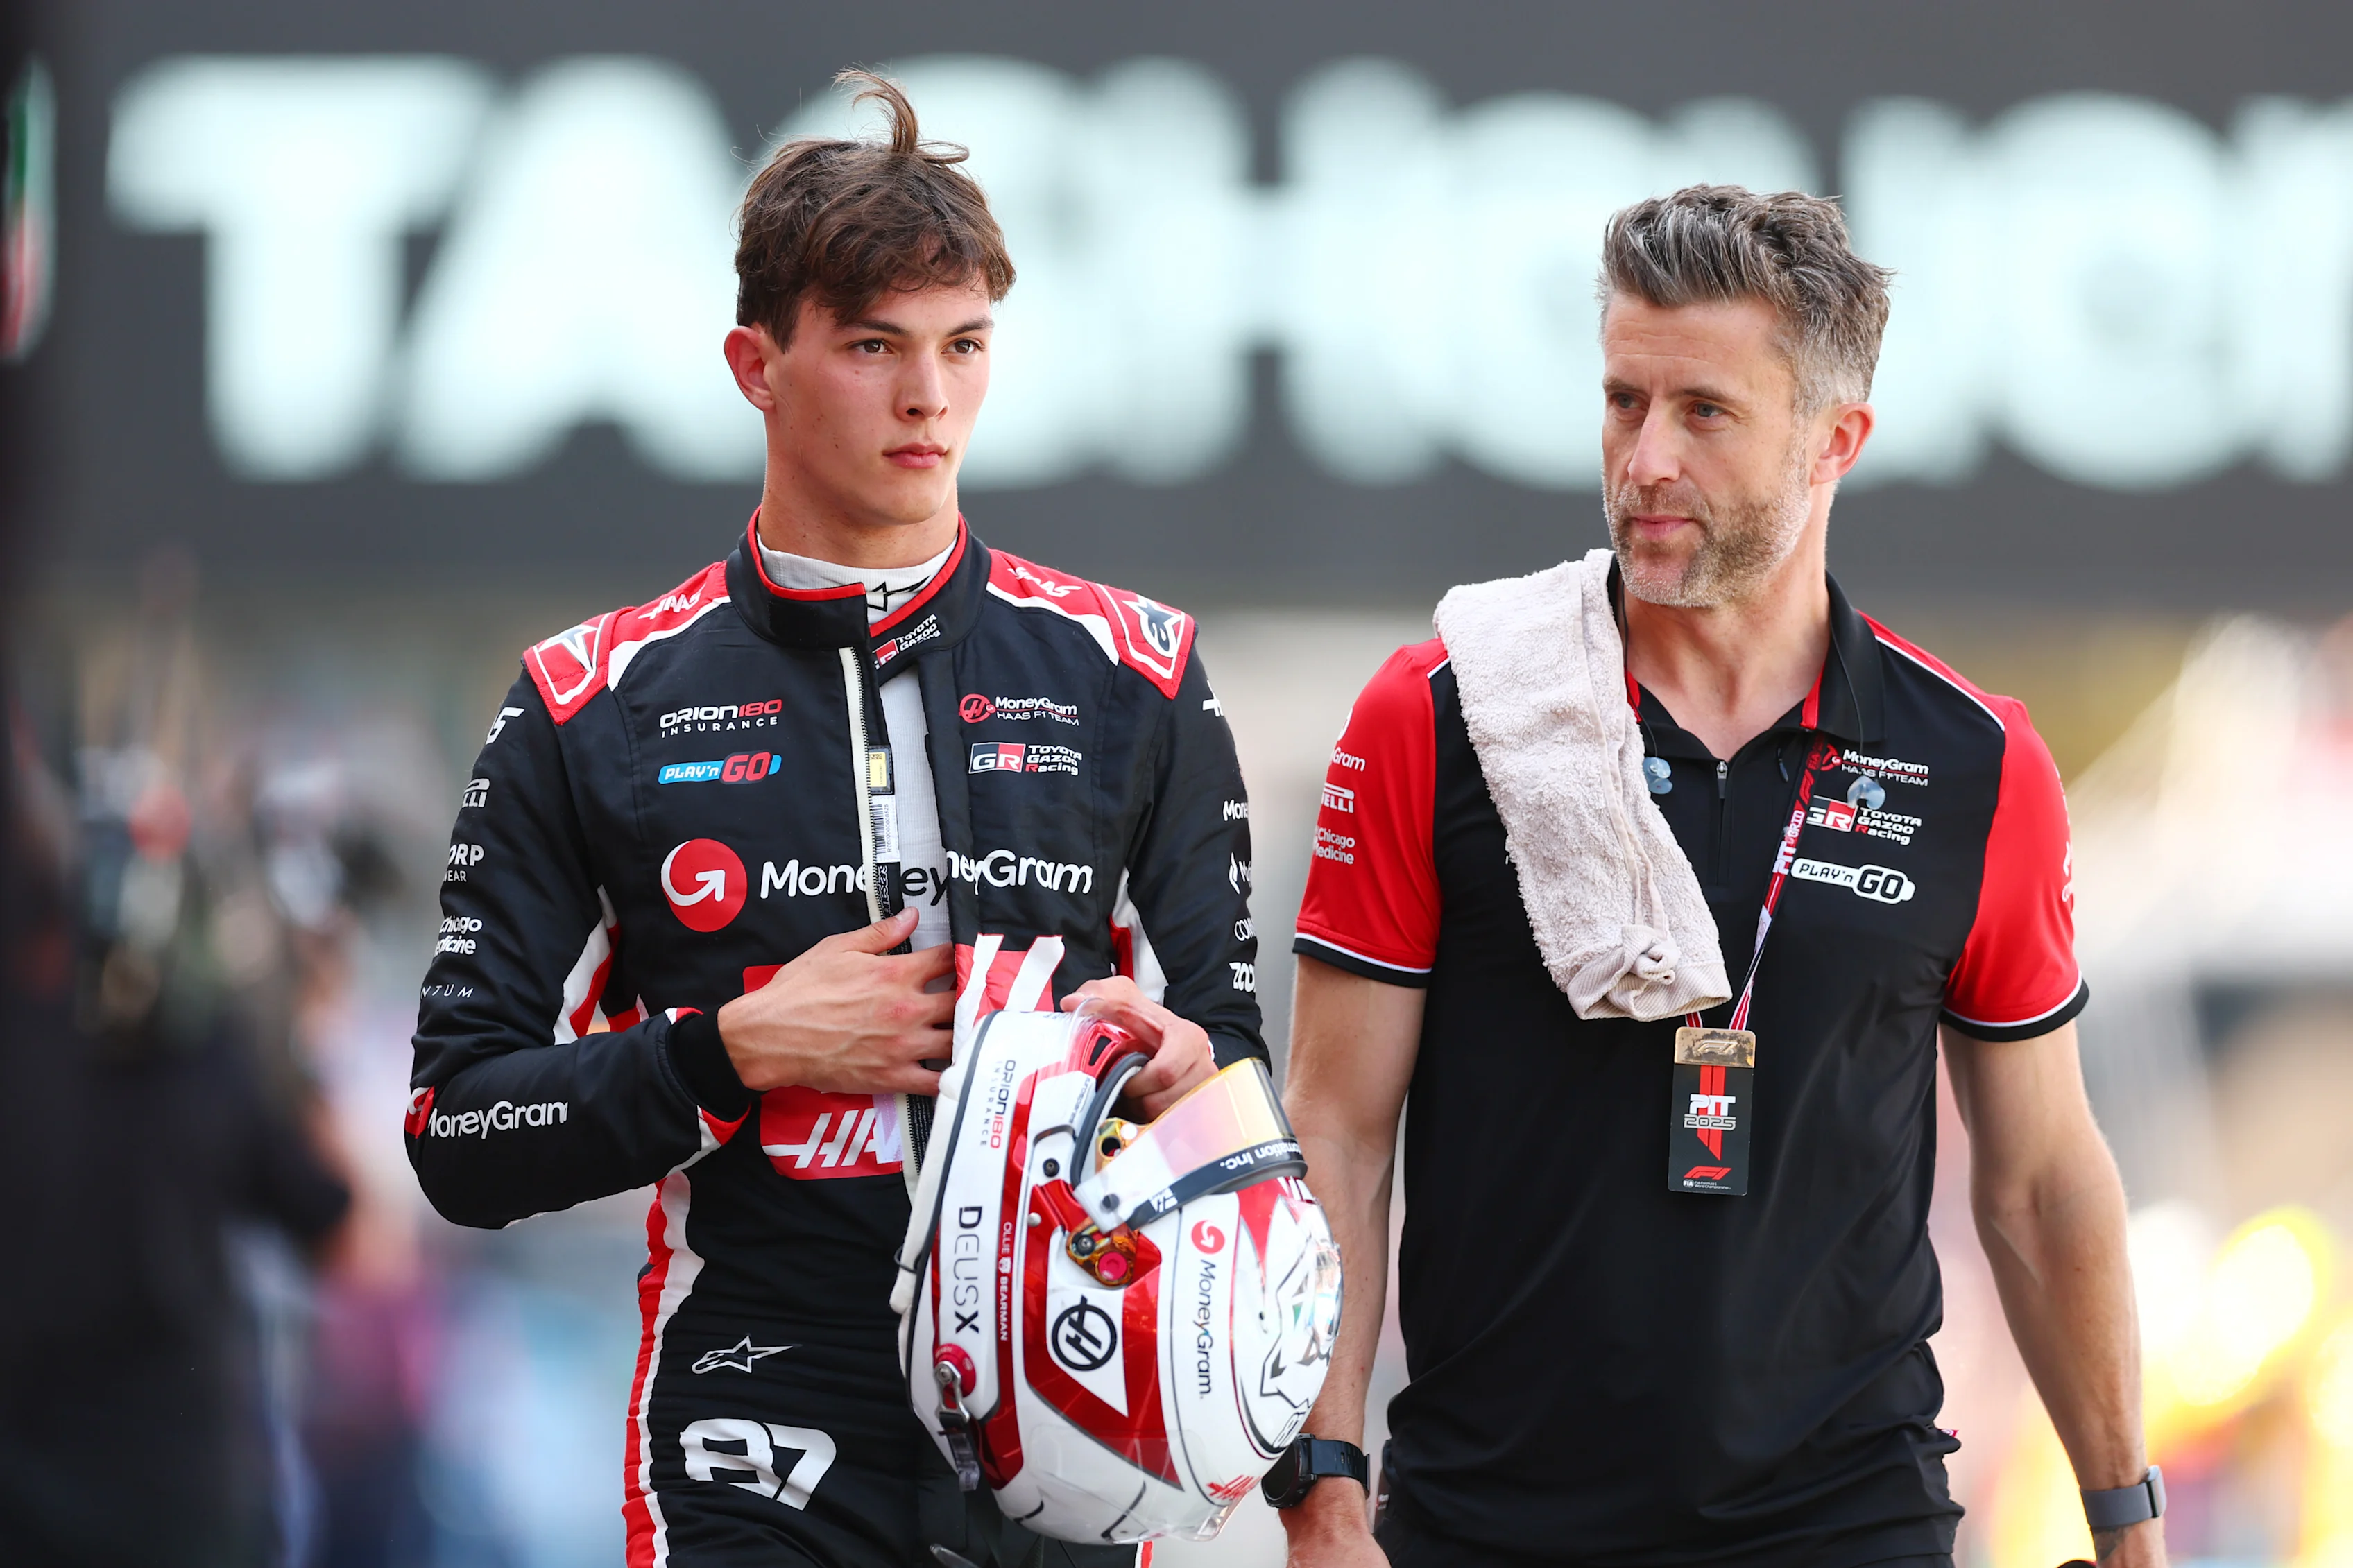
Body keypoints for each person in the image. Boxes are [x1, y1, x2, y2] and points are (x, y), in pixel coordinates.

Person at [404, 72, 1261, 1568]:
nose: (929, 396)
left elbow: (1237, 1063)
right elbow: (457, 1130)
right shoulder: (588, 701)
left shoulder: (1139, 673)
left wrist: (1188, 1071)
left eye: (964, 345)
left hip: (1069, 1406)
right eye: (874, 347)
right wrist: (730, 1050)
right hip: (757, 1410)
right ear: (757, 362)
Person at [1278, 187, 2166, 1568]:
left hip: (1851, 1518)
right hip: (1491, 1522)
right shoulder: (1440, 712)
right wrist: (1324, 1487)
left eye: (1703, 412)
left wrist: (2127, 1521)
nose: (1643, 460)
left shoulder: (1977, 763)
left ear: (1834, 443)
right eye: (1623, 401)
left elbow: (2043, 1179)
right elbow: (1333, 1129)